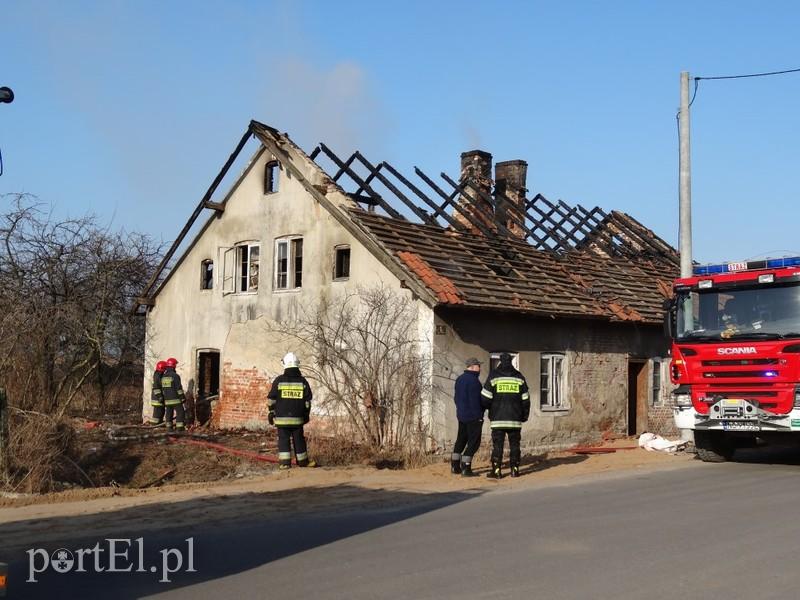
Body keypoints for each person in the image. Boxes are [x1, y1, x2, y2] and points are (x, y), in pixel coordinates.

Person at [481, 353, 530, 479]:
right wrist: (524, 416)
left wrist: (489, 410)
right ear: (512, 362)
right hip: (515, 420)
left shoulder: (494, 376)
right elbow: (526, 400)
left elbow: (485, 398)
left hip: (498, 420)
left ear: (500, 362)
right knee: (515, 445)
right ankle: (515, 469)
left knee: (498, 445)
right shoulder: (519, 377)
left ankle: (497, 471)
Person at [267, 352, 316, 470]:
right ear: (297, 365)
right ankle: (303, 462)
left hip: (281, 419)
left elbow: (271, 399)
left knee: (283, 440)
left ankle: (285, 464)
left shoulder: (278, 381)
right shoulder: (303, 381)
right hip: (298, 419)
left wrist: (271, 412)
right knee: (299, 440)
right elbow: (307, 401)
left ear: (285, 365)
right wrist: (306, 414)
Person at [451, 357, 484, 477]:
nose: (480, 368)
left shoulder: (460, 379)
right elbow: (478, 401)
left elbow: (456, 398)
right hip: (474, 416)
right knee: (474, 442)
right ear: (474, 366)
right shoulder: (475, 382)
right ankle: (466, 467)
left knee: (461, 439)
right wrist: (480, 413)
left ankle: (455, 466)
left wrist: (461, 410)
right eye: (479, 366)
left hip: (461, 415)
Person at [161, 357, 187, 431]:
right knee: (180, 412)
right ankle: (179, 428)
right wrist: (182, 397)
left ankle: (169, 428)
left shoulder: (163, 377)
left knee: (169, 413)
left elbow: (163, 388)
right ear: (173, 365)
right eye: (175, 364)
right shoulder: (175, 376)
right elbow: (178, 388)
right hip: (175, 399)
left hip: (167, 400)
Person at [149, 360, 167, 425]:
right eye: (165, 368)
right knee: (157, 413)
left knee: (161, 411)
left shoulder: (159, 374)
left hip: (159, 397)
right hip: (157, 398)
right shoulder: (157, 376)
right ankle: (154, 425)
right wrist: (160, 396)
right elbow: (156, 387)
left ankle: (159, 423)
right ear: (163, 368)